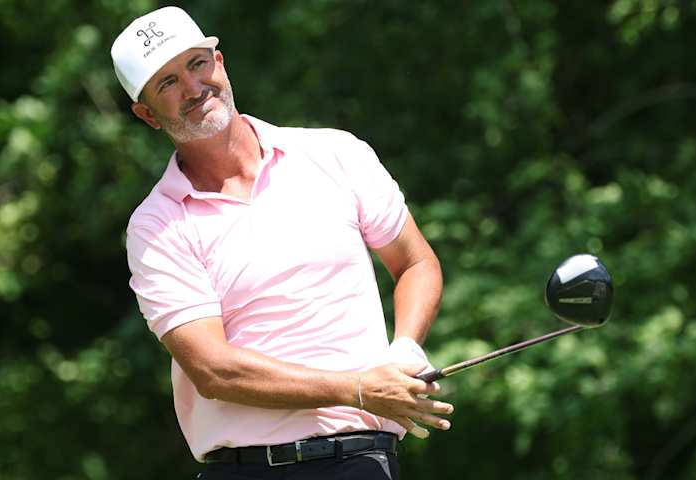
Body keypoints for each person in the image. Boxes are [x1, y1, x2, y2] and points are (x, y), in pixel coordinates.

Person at [111, 6, 453, 479]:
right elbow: (215, 371)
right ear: (147, 114)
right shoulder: (156, 225)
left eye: (196, 64)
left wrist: (405, 349)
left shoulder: (335, 153)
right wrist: (356, 388)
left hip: (359, 461)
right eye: (167, 83)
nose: (193, 88)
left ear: (221, 63)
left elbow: (415, 263)